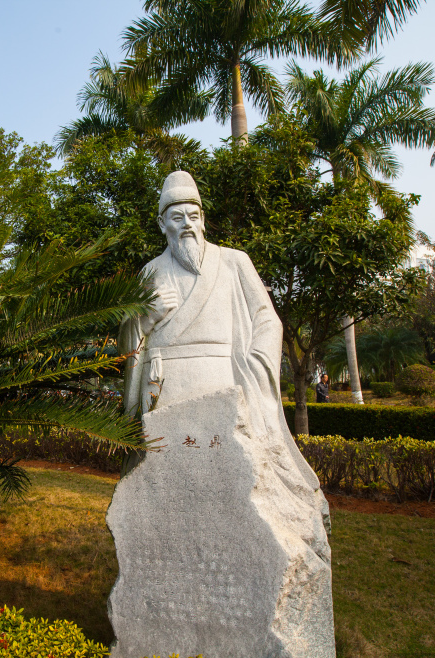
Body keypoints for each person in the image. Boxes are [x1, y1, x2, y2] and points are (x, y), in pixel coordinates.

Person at [120, 170, 328, 536]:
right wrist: (145, 320)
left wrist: (252, 363)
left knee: (226, 476)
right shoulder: (149, 273)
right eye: (177, 217)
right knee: (169, 484)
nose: (187, 225)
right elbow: (128, 336)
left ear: (203, 220)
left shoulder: (233, 262)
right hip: (165, 389)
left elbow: (267, 319)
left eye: (194, 216)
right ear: (161, 223)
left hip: (223, 384)